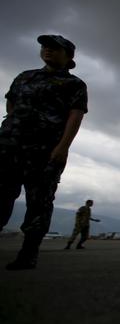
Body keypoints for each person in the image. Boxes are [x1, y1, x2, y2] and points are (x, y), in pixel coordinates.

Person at [1, 35, 88, 270]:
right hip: (9, 147)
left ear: (69, 56)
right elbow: (12, 105)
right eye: (45, 46)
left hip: (44, 151)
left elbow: (75, 115)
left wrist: (62, 147)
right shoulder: (24, 77)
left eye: (55, 48)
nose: (48, 50)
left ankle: (28, 253)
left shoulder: (74, 85)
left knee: (39, 202)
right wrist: (13, 127)